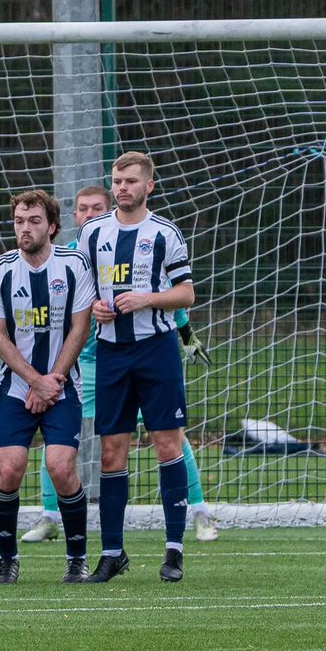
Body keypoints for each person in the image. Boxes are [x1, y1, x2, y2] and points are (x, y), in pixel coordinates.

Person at [23, 186, 220, 544]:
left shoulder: (132, 239)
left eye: (96, 207)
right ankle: (50, 514)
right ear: (73, 217)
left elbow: (164, 289)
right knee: (58, 432)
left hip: (134, 355)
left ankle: (199, 510)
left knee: (169, 436)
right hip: (81, 362)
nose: (89, 214)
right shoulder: (63, 256)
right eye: (82, 209)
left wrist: (186, 334)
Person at [78, 152, 195, 583]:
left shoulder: (165, 233)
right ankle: (112, 553)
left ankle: (174, 549)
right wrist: (95, 308)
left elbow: (186, 294)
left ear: (149, 186)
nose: (122, 187)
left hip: (156, 350)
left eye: (130, 181)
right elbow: (84, 292)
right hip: (111, 352)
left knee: (168, 444)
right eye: (117, 180)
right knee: (111, 451)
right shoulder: (93, 232)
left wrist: (146, 299)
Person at [0, 190, 94, 583]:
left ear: (53, 227)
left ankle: (77, 559)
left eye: (33, 221)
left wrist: (52, 381)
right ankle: (7, 559)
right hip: (16, 387)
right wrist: (33, 380)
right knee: (9, 470)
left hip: (63, 387)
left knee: (60, 467)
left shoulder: (75, 265)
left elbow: (81, 327)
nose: (25, 228)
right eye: (19, 221)